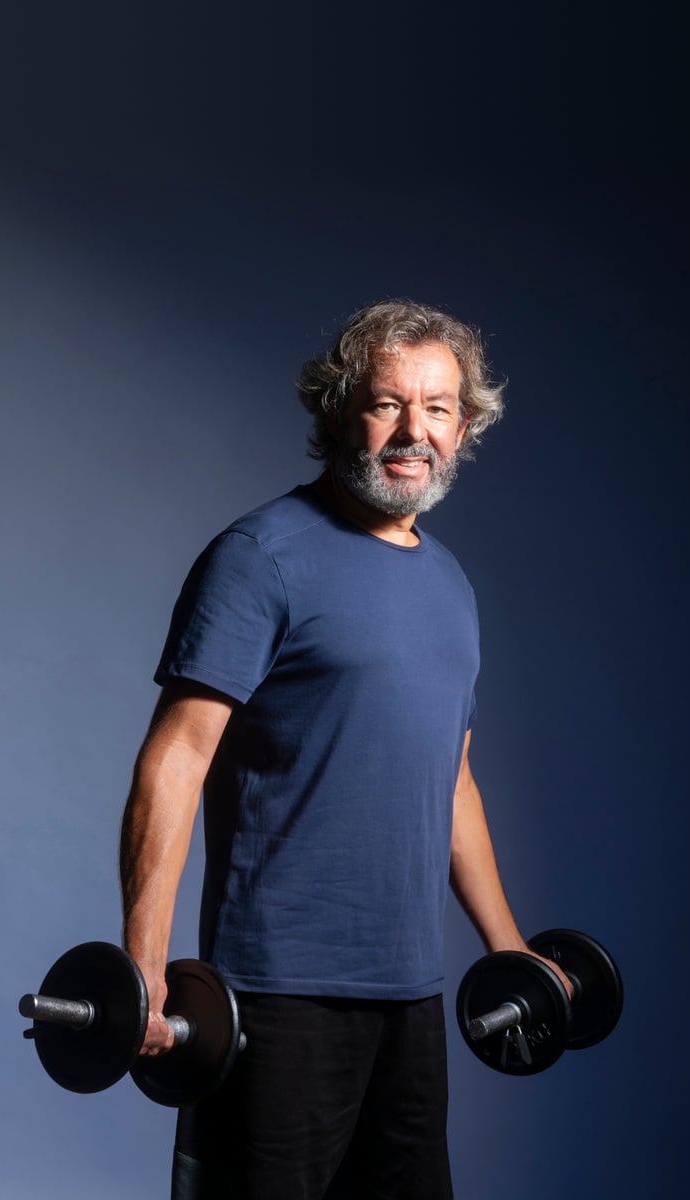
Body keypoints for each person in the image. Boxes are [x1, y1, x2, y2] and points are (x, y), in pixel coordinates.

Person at [119, 299, 570, 1200]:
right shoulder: (259, 557)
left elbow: (452, 783)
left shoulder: (450, 584)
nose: (414, 431)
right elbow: (175, 760)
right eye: (387, 403)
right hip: (273, 995)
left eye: (439, 408)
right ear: (335, 413)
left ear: (465, 424)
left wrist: (510, 949)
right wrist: (144, 960)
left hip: (410, 997)